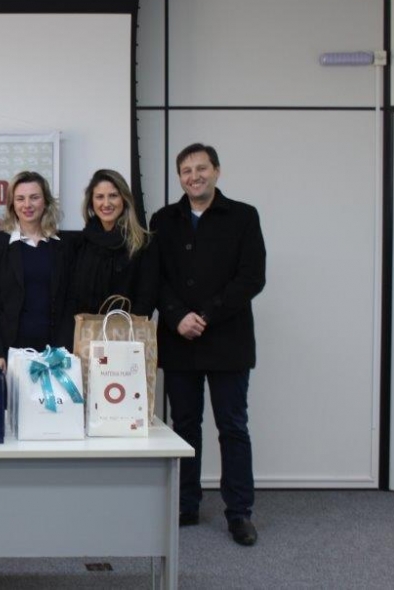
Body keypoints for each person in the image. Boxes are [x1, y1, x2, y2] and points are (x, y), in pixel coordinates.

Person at [150, 143, 266, 546]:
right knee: (184, 427)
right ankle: (186, 503)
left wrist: (208, 315)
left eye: (201, 168)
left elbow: (252, 278)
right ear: (179, 176)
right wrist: (177, 315)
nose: (193, 176)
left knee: (232, 427)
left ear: (216, 171)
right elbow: (156, 278)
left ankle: (239, 513)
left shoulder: (244, 217)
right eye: (186, 170)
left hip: (228, 339)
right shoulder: (163, 220)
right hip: (178, 339)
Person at [0, 171, 73, 371]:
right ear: (12, 204)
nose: (27, 205)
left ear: (46, 202)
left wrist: (64, 352)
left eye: (34, 197)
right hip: (9, 354)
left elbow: (69, 303)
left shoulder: (63, 246)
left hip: (54, 354)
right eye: (20, 198)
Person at [65, 169, 156, 339]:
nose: (106, 203)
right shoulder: (79, 243)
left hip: (127, 341)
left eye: (113, 195)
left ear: (124, 199)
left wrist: (121, 335)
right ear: (91, 203)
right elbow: (72, 297)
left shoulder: (142, 244)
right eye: (99, 197)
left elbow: (146, 300)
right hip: (85, 340)